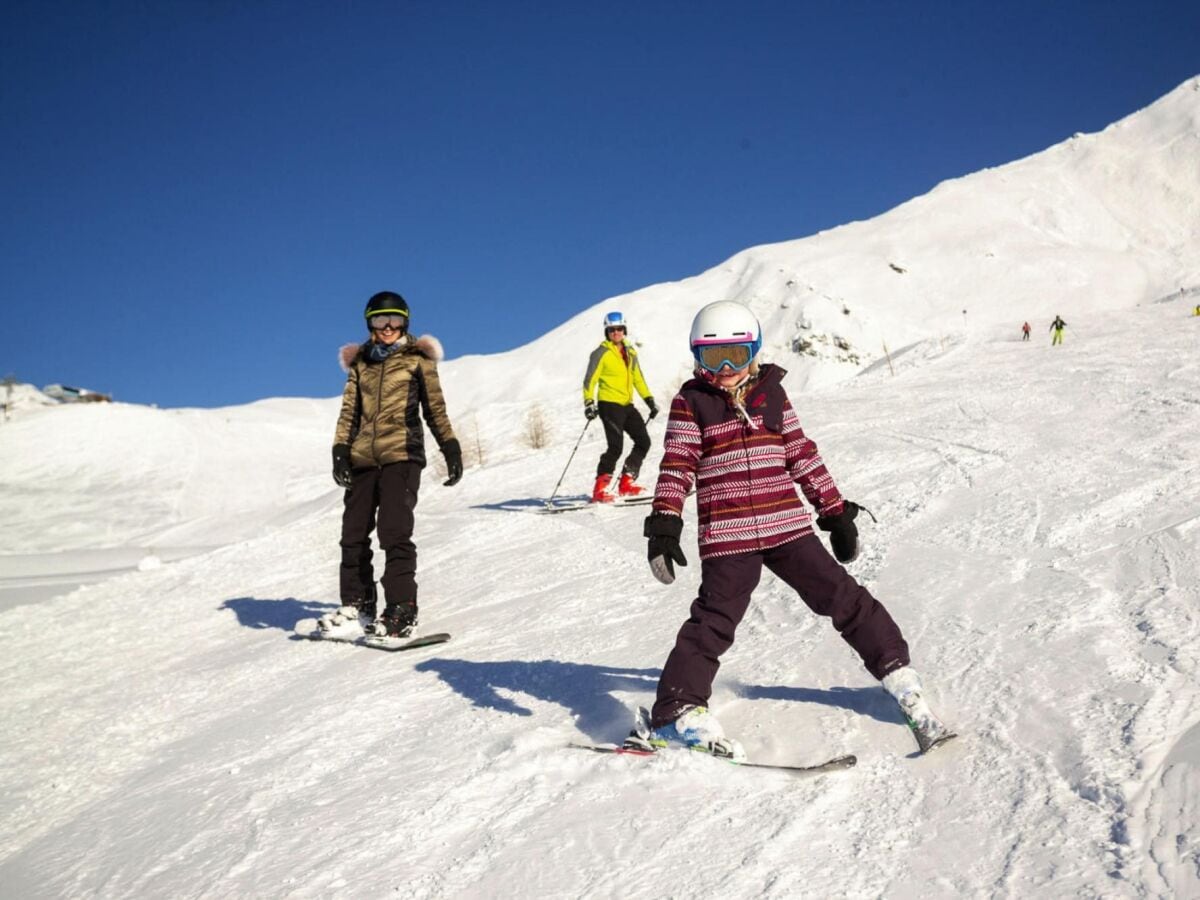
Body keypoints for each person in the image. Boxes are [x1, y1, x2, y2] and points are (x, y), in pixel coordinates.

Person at [624, 300, 947, 759]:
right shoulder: (690, 403)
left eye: (736, 354)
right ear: (697, 359)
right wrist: (664, 522)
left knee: (844, 598)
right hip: (727, 535)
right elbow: (677, 465)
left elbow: (801, 454)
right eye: (714, 359)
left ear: (754, 350)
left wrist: (834, 512)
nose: (727, 369)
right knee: (714, 621)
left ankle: (898, 673)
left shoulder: (772, 395)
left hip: (787, 527)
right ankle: (677, 710)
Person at [319, 291, 462, 640]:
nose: (387, 327)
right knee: (352, 535)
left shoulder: (418, 360)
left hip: (402, 455)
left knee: (394, 533)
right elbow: (349, 412)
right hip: (363, 459)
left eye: (394, 320)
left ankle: (401, 610)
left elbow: (434, 409)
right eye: (379, 321)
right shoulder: (361, 365)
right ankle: (358, 606)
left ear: (405, 323)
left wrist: (450, 446)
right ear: (369, 324)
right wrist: (340, 450)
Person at [582, 311, 659, 502]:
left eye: (619, 329)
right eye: (611, 330)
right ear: (607, 332)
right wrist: (589, 402)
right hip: (609, 404)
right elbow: (590, 380)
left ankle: (626, 483)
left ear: (624, 330)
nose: (616, 332)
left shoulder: (631, 353)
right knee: (615, 447)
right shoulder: (601, 353)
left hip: (627, 405)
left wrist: (649, 399)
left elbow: (638, 379)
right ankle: (600, 489)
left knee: (643, 442)